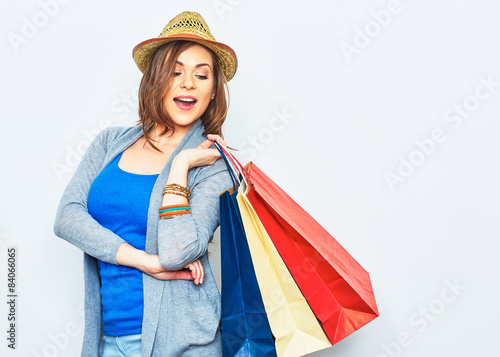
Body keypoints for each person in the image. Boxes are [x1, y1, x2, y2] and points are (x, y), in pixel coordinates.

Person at [53, 11, 237, 357]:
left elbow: (177, 253)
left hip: (184, 343)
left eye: (202, 75)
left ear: (213, 91)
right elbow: (67, 218)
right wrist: (141, 260)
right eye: (175, 71)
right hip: (109, 340)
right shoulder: (110, 143)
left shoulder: (212, 166)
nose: (188, 83)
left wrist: (180, 165)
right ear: (156, 79)